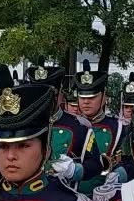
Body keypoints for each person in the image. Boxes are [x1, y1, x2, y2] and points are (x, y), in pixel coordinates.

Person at [24, 61, 104, 189]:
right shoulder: (21, 125)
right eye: (38, 95)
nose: (43, 101)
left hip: (64, 194)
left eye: (49, 95)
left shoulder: (78, 126)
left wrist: (75, 170)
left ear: (61, 94)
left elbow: (95, 164)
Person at [75, 60, 124, 193]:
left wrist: (120, 173)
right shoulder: (71, 126)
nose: (86, 101)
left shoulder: (118, 127)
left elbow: (129, 162)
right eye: (82, 97)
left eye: (92, 97)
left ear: (104, 97)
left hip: (106, 193)